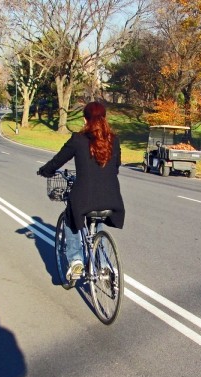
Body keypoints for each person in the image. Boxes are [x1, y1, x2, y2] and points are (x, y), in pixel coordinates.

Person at [38, 101, 125, 281]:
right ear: (104, 118)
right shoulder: (114, 140)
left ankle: (76, 260)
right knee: (96, 218)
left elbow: (58, 161)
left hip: (84, 197)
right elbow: (115, 168)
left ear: (85, 120)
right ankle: (104, 264)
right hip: (112, 198)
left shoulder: (78, 139)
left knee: (72, 216)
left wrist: (45, 170)